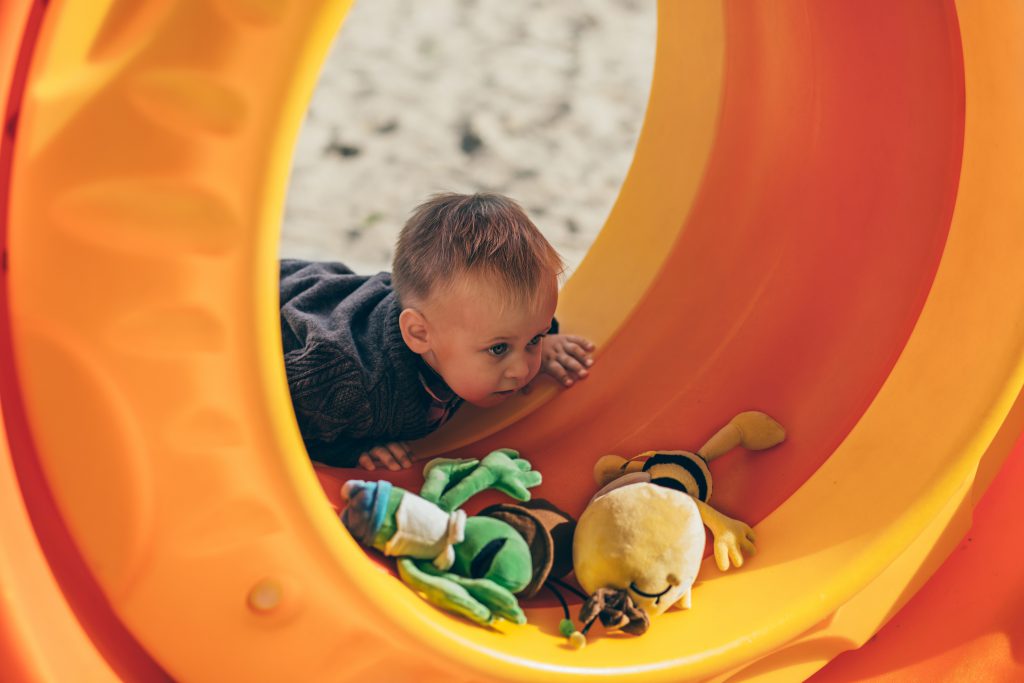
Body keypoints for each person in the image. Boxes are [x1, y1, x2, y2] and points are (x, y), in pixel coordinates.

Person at [280, 192, 595, 471]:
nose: (523, 368)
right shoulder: (350, 381)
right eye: (499, 349)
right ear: (418, 335)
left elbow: (523, 318)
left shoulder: (462, 321)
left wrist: (548, 335)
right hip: (265, 304)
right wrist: (352, 450)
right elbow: (278, 414)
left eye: (533, 340)